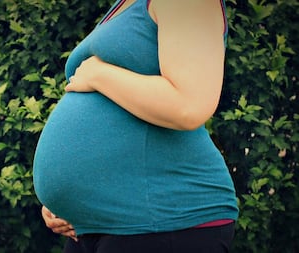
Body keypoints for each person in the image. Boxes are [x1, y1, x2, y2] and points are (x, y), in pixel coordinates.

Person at [33, 0, 239, 252]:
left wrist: (99, 74)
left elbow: (190, 105)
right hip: (102, 228)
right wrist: (70, 203)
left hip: (165, 222)